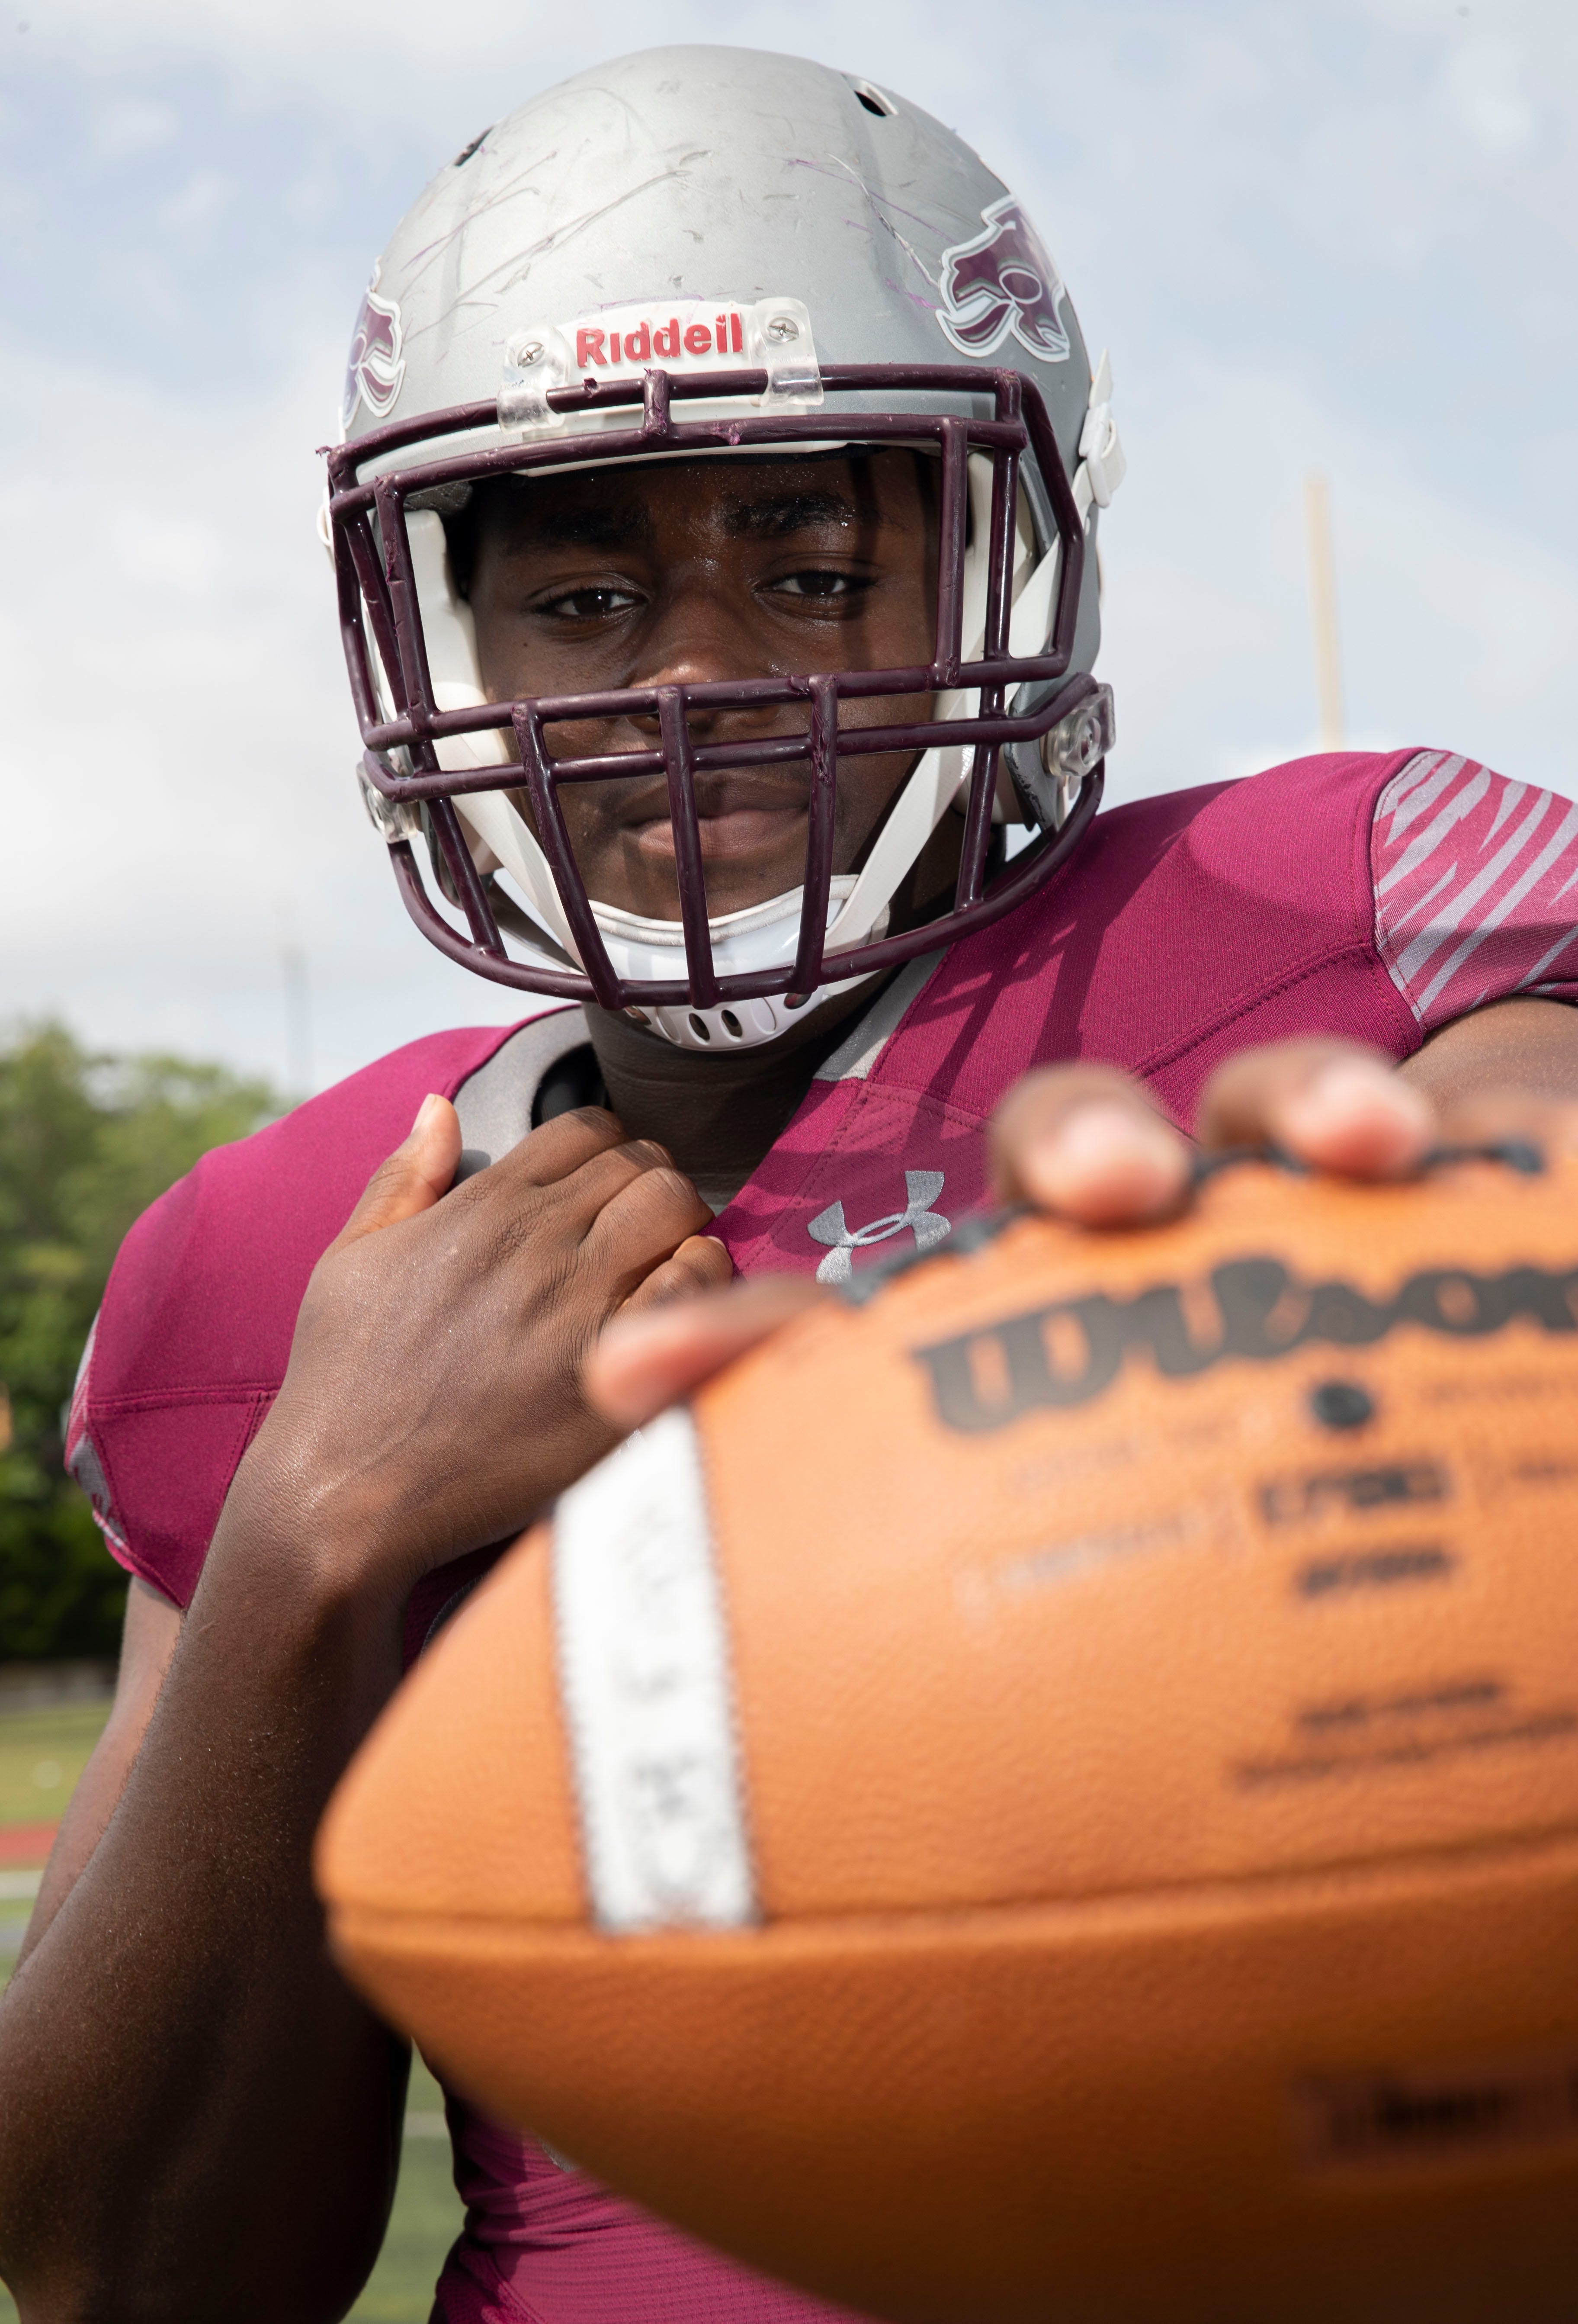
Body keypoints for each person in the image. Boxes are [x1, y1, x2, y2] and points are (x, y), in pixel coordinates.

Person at [2, 41, 1576, 2324]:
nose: (701, 680)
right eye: (580, 604)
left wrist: (1427, 1296)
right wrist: (314, 1543)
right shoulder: (290, 1247)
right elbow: (136, 2282)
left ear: (998, 567)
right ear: (448, 644)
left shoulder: (1364, 915)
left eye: (817, 567)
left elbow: (1530, 1197)